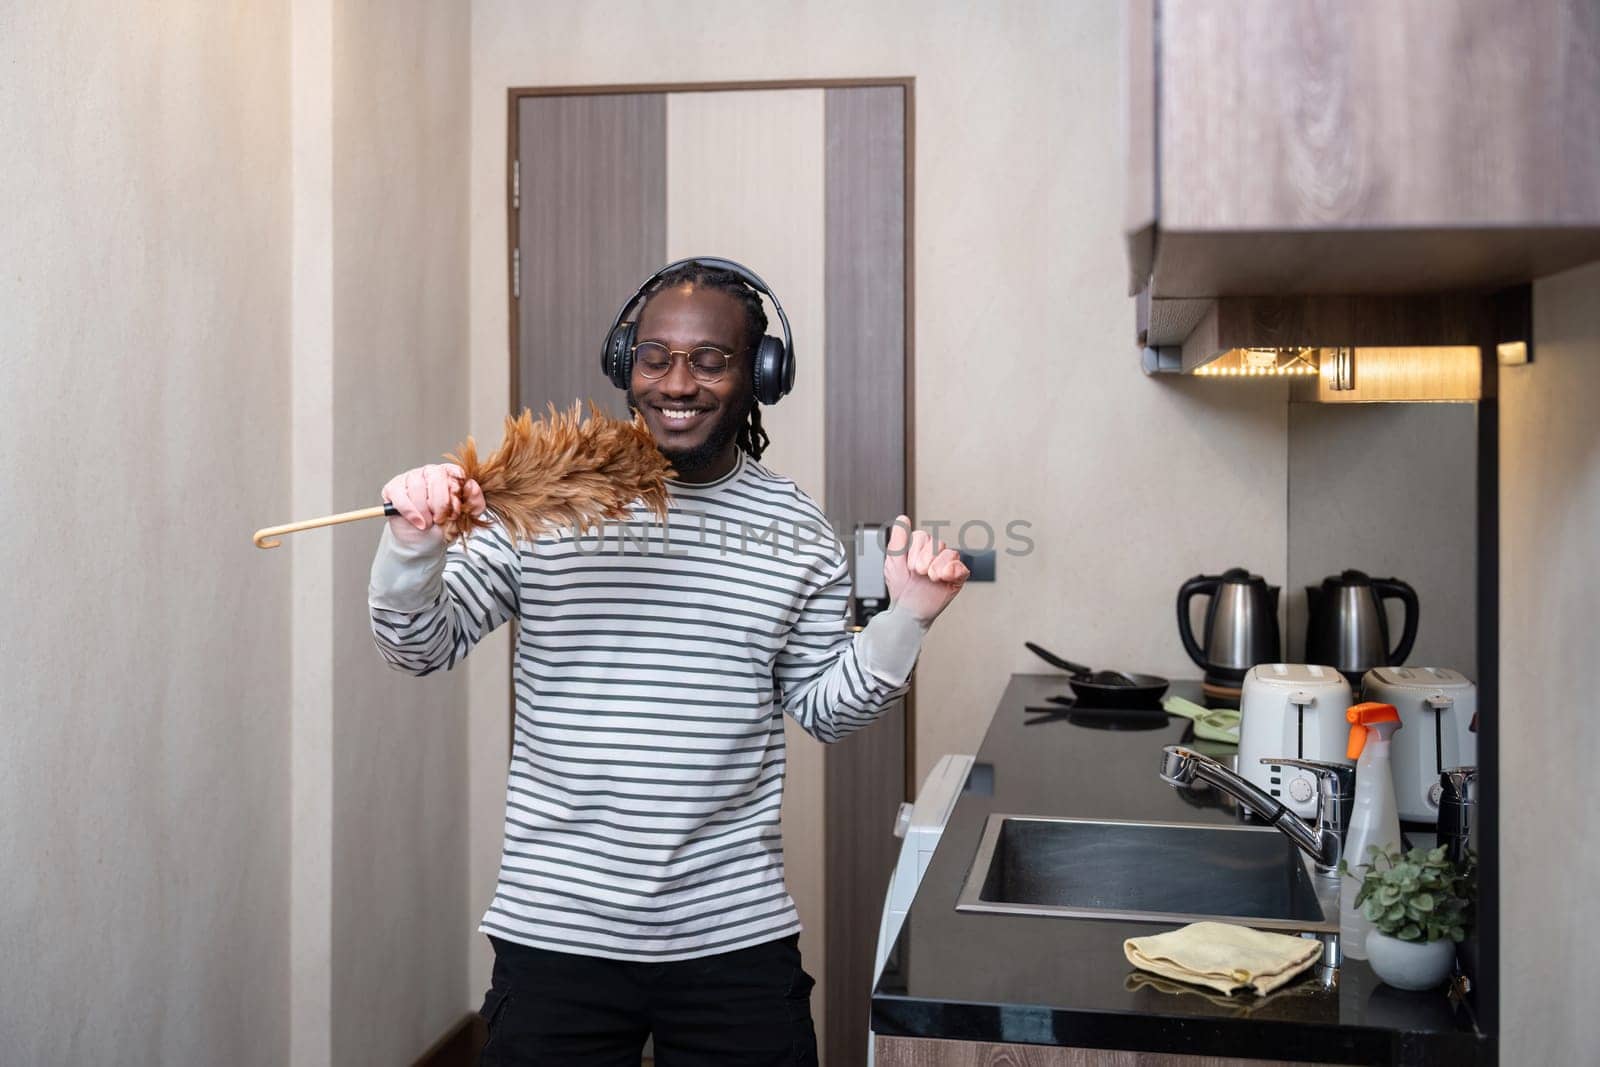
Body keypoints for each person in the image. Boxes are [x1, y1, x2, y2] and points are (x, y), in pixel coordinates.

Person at [368, 260, 968, 1065]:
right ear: (626, 364)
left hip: (734, 931)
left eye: (710, 360)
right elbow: (418, 644)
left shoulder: (794, 529)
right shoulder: (540, 499)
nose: (676, 382)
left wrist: (908, 618)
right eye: (655, 356)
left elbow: (828, 709)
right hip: (560, 928)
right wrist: (412, 545)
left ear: (759, 375)